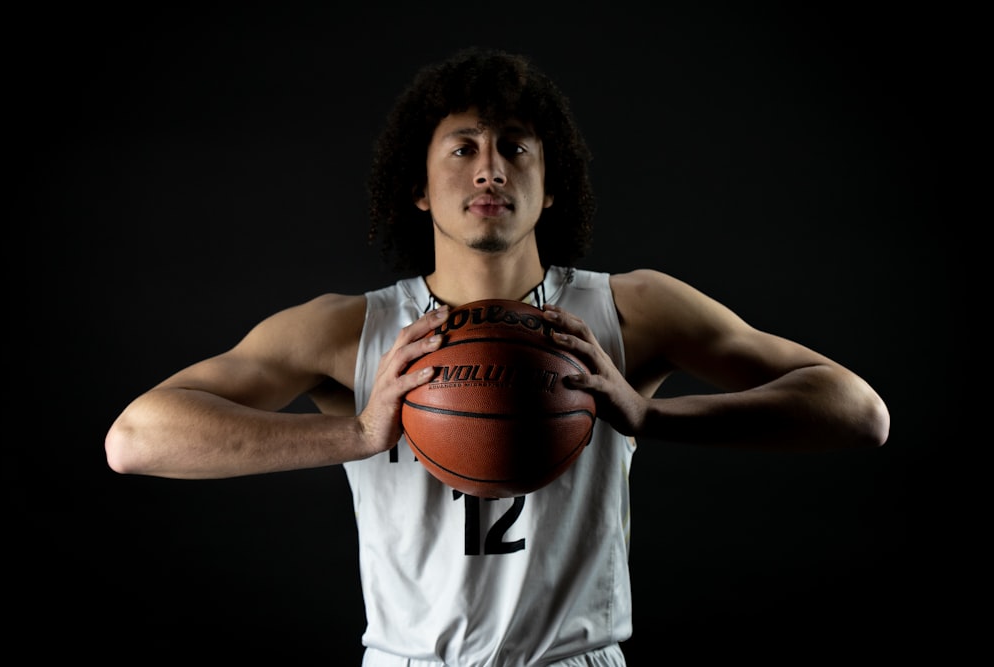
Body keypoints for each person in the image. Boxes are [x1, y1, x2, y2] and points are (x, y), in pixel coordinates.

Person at [105, 47, 890, 666]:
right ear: (418, 185)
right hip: (411, 662)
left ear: (551, 188)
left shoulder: (629, 310)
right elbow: (136, 437)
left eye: (516, 146)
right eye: (463, 147)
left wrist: (650, 413)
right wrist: (357, 433)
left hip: (574, 659)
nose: (490, 167)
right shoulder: (347, 331)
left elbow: (858, 412)